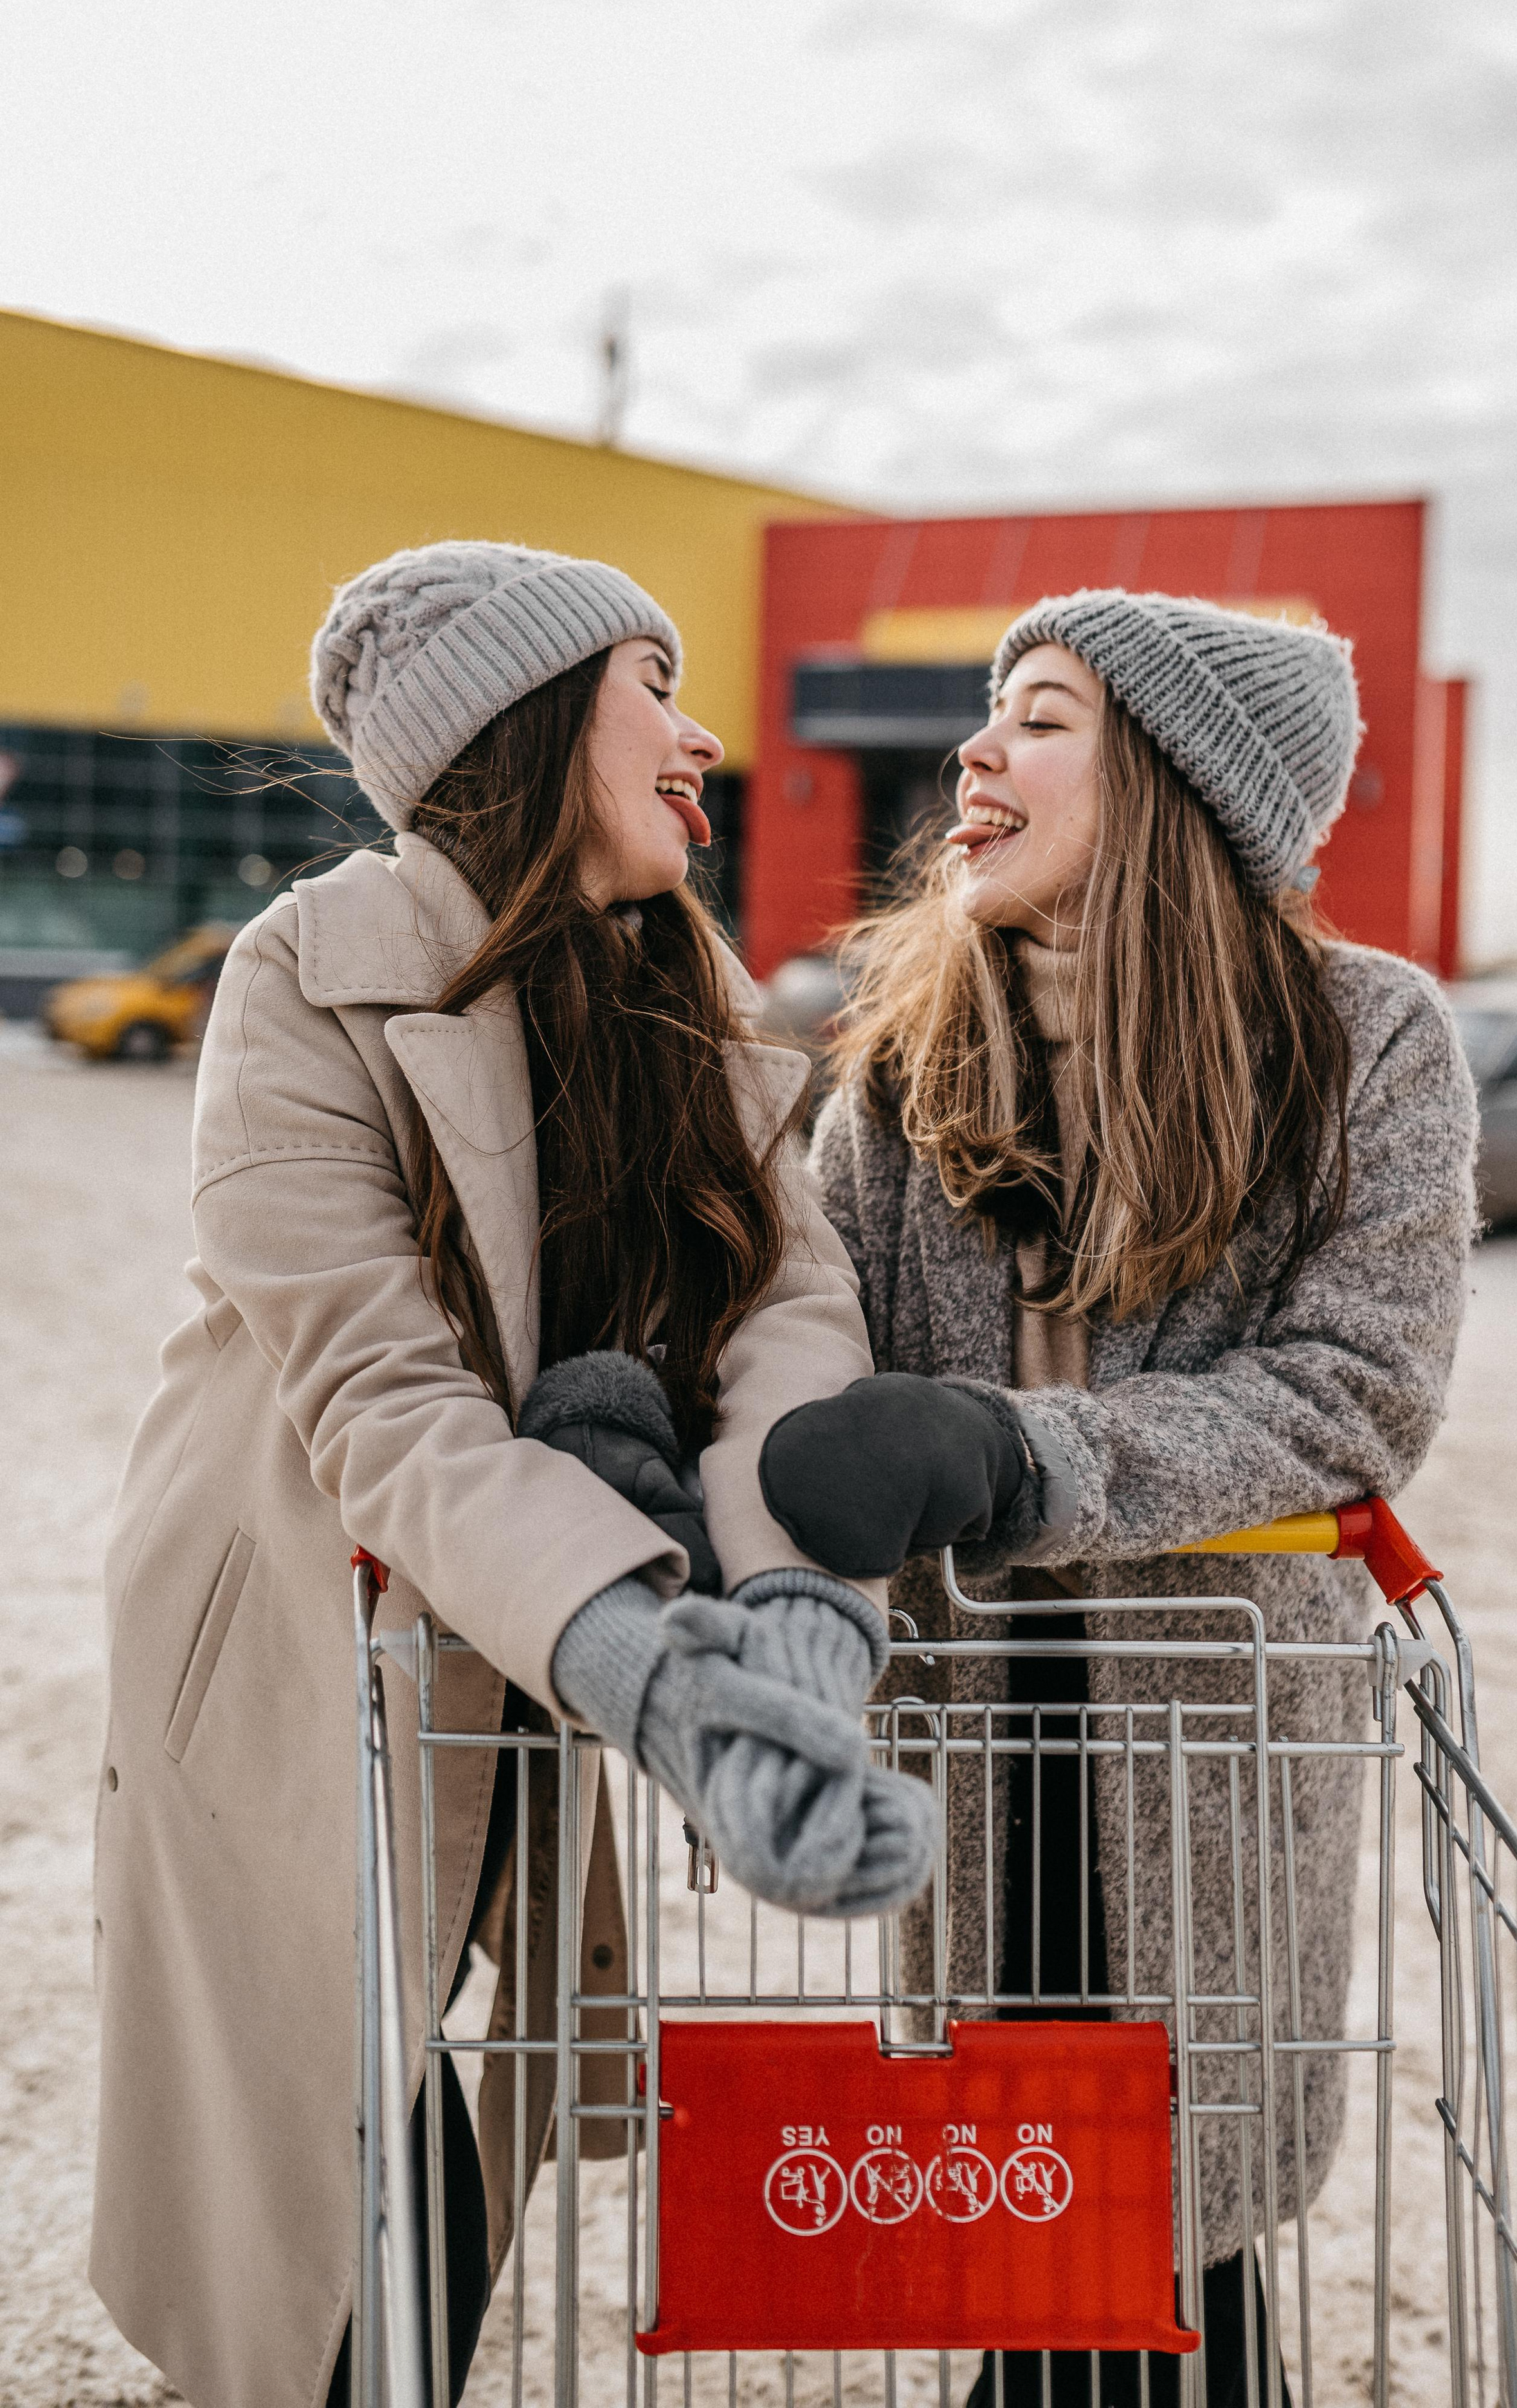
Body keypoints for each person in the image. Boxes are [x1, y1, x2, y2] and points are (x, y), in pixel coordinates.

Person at [91, 542, 934, 2408]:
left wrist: (794, 1627)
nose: (706, 731)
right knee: (319, 2190)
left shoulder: (682, 989)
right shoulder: (301, 979)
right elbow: (378, 1399)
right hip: (312, 1632)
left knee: (473, 2155)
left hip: (530, 1631)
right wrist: (654, 1666)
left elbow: (791, 1306)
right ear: (527, 721)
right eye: (656, 680)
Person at [759, 589, 1478, 2407]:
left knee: (1180, 2230)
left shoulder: (1363, 1042)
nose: (976, 754)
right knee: (1028, 2241)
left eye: (1045, 715)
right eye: (989, 716)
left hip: (1217, 1750)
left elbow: (1353, 1396)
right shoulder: (909, 1051)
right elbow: (807, 1347)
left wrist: (1027, 1457)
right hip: (972, 1736)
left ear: (1176, 780)